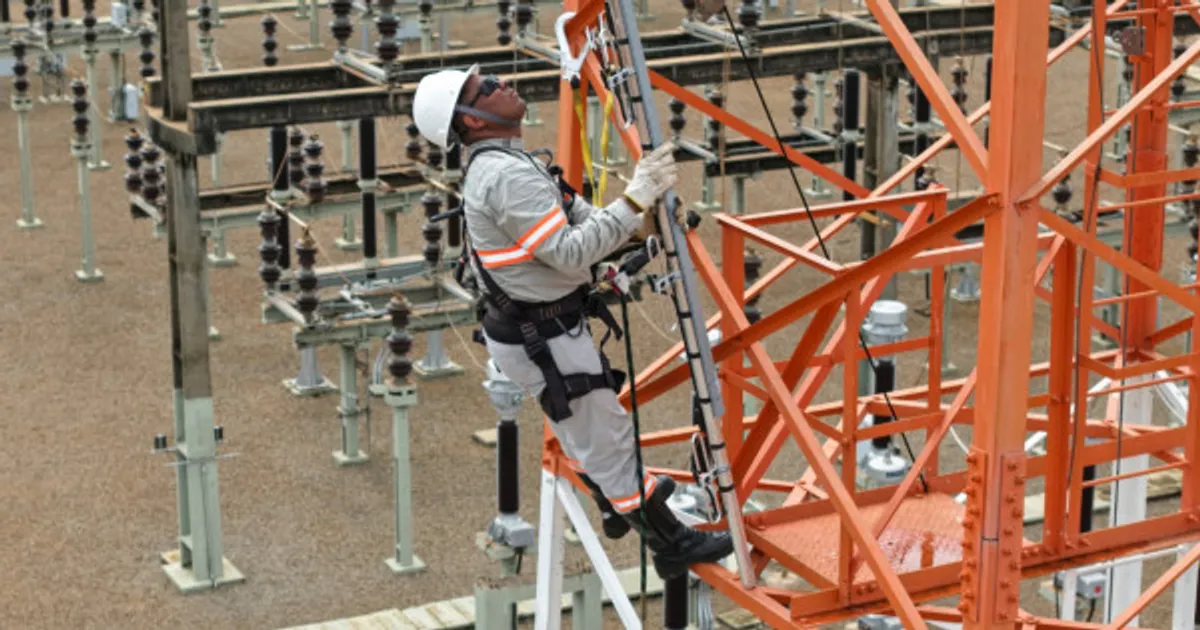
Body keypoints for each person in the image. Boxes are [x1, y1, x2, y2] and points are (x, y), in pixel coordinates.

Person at [411, 65, 734, 580]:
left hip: (536, 330)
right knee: (607, 439)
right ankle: (670, 541)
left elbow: (577, 219)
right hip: (544, 336)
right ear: (470, 120)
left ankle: (615, 502)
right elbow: (569, 252)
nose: (502, 83)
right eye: (486, 87)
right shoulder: (504, 175)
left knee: (588, 428)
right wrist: (634, 199)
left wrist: (636, 224)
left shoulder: (510, 164)